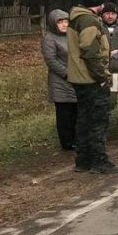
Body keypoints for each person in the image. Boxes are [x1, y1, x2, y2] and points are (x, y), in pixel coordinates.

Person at [67, 0, 118, 174]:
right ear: (97, 4)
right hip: (90, 78)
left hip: (78, 77)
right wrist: (102, 76)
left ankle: (82, 161)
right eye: (102, 3)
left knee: (83, 119)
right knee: (98, 121)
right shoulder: (89, 20)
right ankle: (99, 161)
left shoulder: (76, 18)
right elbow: (89, 51)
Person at [41, 9, 78, 150]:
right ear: (53, 23)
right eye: (60, 22)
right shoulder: (49, 38)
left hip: (75, 78)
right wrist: (66, 73)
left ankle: (76, 138)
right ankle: (67, 142)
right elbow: (51, 60)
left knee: (75, 111)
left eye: (66, 21)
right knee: (64, 113)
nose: (64, 24)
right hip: (60, 81)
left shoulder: (71, 35)